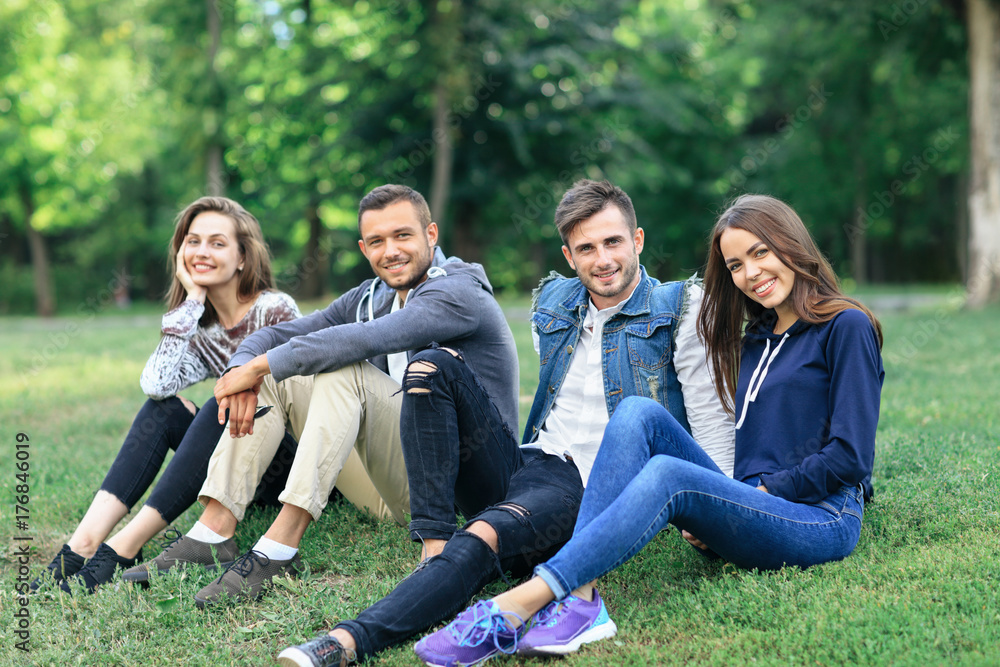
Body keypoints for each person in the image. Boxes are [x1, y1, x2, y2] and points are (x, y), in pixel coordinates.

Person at [276, 179, 734, 667]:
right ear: (569, 254)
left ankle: (344, 643)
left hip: (589, 485)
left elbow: (708, 418)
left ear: (637, 240)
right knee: (430, 364)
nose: (602, 259)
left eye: (613, 242)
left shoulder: (680, 309)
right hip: (528, 462)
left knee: (485, 536)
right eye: (586, 248)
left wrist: (714, 508)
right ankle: (434, 545)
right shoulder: (556, 306)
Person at [417, 193, 885, 663]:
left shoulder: (845, 326)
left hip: (818, 517)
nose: (751, 274)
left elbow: (850, 457)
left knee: (667, 473)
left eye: (761, 253)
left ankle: (519, 604)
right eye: (736, 265)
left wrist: (761, 494)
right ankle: (582, 602)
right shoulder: (757, 338)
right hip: (751, 504)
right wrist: (723, 503)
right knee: (637, 410)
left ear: (792, 245)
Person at [122, 184, 520, 609]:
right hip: (395, 487)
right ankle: (213, 531)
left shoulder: (459, 291)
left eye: (403, 235)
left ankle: (279, 548)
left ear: (431, 234)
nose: (391, 251)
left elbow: (364, 338)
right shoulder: (371, 296)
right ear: (364, 248)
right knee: (278, 376)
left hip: (463, 489)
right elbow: (279, 334)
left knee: (336, 366)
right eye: (378, 241)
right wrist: (244, 368)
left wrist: (260, 366)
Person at [31, 196, 300, 595]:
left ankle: (125, 545)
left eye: (217, 243)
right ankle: (80, 545)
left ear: (243, 257)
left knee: (218, 404)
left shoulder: (275, 310)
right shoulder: (202, 329)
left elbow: (296, 397)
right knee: (164, 409)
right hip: (237, 470)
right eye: (193, 241)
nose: (201, 252)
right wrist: (191, 302)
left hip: (286, 466)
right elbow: (156, 385)